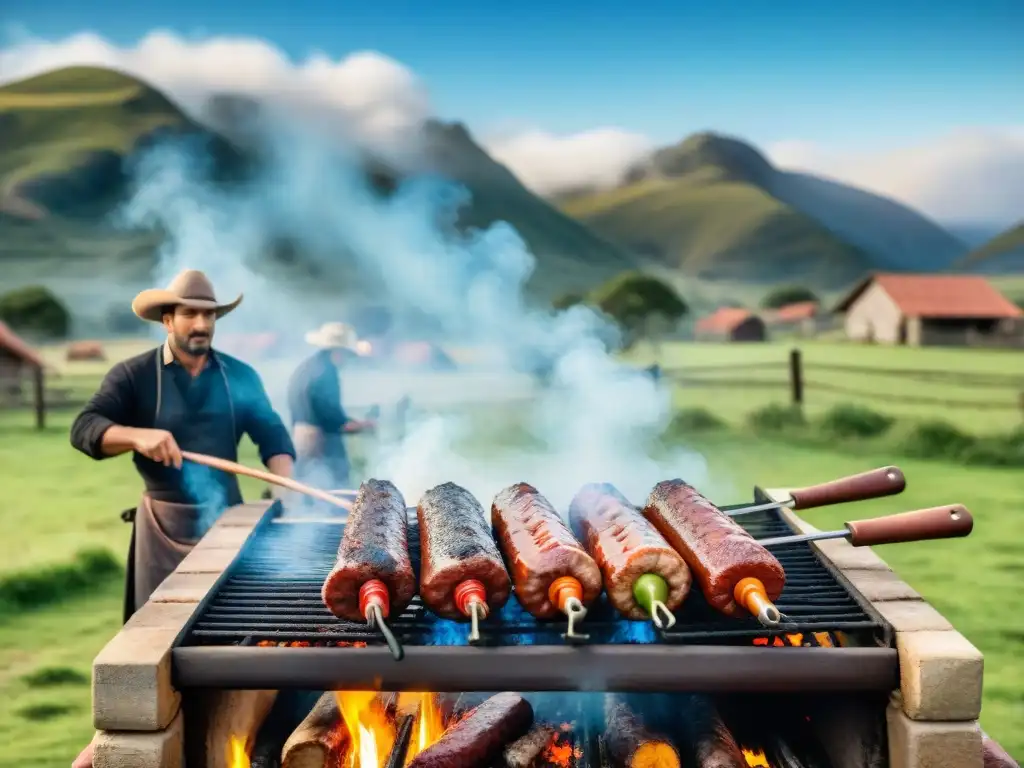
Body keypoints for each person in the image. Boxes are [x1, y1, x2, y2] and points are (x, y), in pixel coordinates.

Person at [68, 269, 295, 768]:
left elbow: (274, 435)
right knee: (160, 653)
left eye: (208, 314)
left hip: (229, 527)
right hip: (162, 528)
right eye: (189, 313)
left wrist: (283, 480)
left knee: (231, 647)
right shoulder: (132, 376)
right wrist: (136, 435)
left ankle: (229, 743)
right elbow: (85, 429)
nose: (201, 323)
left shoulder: (238, 375)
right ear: (167, 319)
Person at [286, 321, 375, 491]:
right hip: (319, 443)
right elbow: (334, 421)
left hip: (300, 438)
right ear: (340, 351)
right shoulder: (327, 373)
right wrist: (365, 425)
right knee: (332, 489)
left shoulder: (307, 367)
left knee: (305, 490)